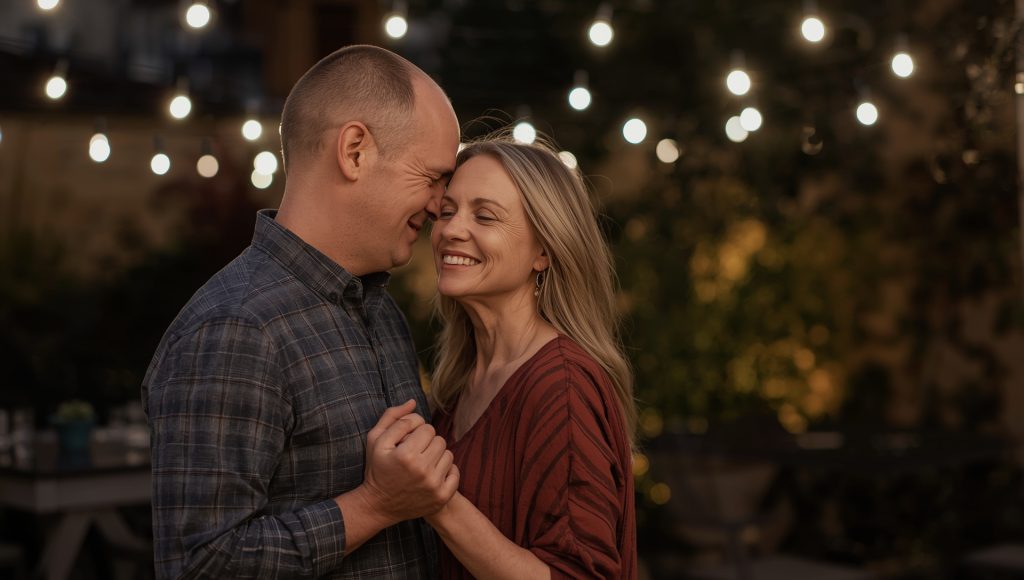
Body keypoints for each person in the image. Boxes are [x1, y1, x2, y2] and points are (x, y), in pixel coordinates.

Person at [142, 45, 461, 579]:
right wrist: (375, 505)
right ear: (355, 151)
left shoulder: (379, 311)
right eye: (431, 177)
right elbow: (200, 565)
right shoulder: (235, 328)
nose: (438, 205)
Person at [421, 136, 638, 579]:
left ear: (543, 251)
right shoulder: (459, 384)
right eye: (447, 211)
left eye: (484, 216)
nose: (450, 230)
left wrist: (437, 503)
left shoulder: (561, 385)